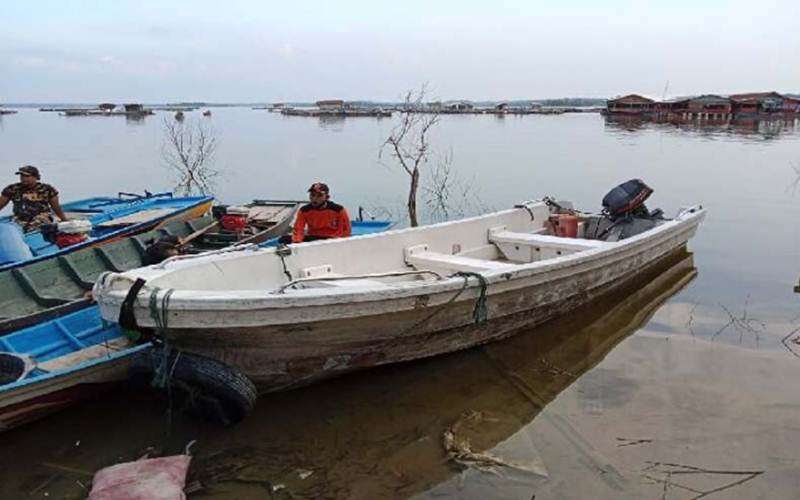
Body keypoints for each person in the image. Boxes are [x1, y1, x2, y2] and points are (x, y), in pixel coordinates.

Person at [0, 165, 68, 232]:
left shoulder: (47, 189)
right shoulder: (12, 189)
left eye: (27, 176)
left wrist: (64, 219)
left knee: (34, 226)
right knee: (11, 228)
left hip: (41, 217)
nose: (23, 178)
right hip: (20, 218)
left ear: (35, 177)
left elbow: (56, 207)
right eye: (22, 176)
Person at [279, 182, 351, 244]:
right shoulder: (304, 211)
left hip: (332, 239)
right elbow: (298, 229)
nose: (315, 198)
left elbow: (345, 230)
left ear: (327, 197)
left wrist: (339, 243)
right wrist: (297, 243)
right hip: (314, 238)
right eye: (312, 195)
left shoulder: (338, 210)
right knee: (283, 239)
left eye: (319, 195)